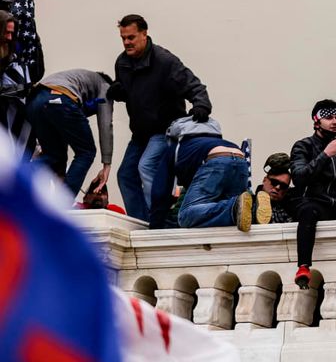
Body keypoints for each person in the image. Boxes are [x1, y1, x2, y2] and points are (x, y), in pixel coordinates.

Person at [109, 14, 211, 223]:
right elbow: (129, 89)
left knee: (146, 166)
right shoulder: (122, 62)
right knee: (125, 175)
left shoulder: (165, 61)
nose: (127, 42)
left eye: (131, 37)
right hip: (140, 134)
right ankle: (141, 222)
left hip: (165, 129)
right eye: (123, 38)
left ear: (144, 34)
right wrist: (119, 91)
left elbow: (194, 85)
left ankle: (160, 218)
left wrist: (201, 105)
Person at [290, 100, 336, 287]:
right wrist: (325, 155)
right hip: (313, 202)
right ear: (316, 120)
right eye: (328, 117)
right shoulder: (303, 146)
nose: (334, 121)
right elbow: (299, 178)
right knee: (308, 211)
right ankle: (303, 267)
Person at [26, 69, 114, 199]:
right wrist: (107, 164)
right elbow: (105, 123)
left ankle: (12, 181)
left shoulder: (78, 79)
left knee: (53, 156)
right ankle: (63, 202)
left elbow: (66, 122)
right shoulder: (105, 86)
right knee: (86, 152)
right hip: (60, 98)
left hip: (34, 102)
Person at [173, 118, 265, 232]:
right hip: (240, 158)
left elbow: (163, 190)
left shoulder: (178, 145)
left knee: (185, 215)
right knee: (240, 213)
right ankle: (254, 209)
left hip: (217, 159)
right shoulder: (214, 140)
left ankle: (234, 207)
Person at [256, 153, 294, 224]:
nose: (277, 187)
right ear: (264, 180)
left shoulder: (292, 208)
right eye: (274, 182)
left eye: (283, 186)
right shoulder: (250, 204)